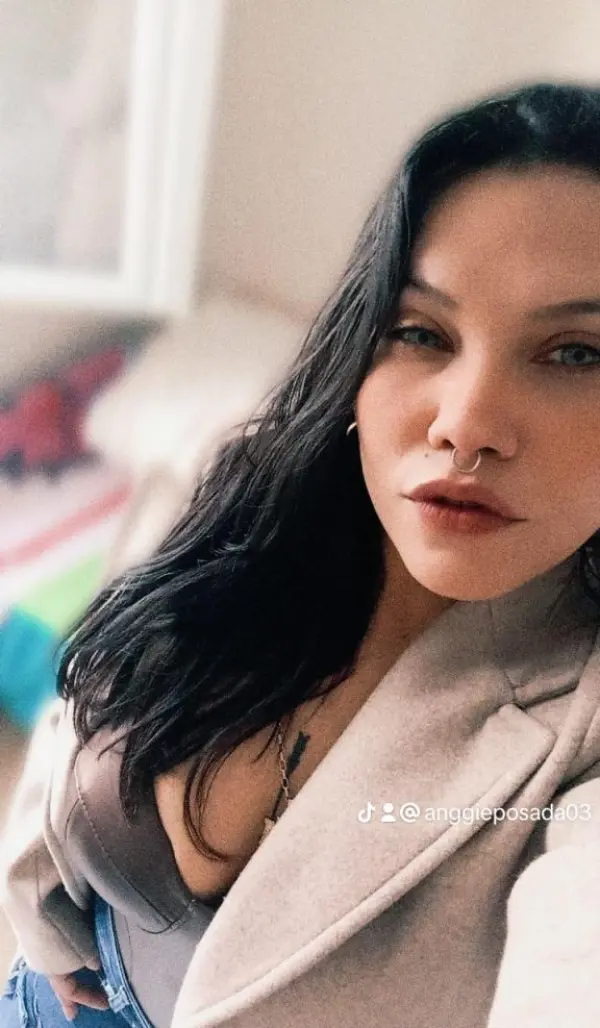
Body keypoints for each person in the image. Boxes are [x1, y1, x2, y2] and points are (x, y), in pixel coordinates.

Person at [2, 79, 600, 1028]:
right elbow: (97, 685)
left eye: (575, 354)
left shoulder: (581, 728)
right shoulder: (253, 495)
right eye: (421, 332)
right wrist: (35, 890)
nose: (466, 422)